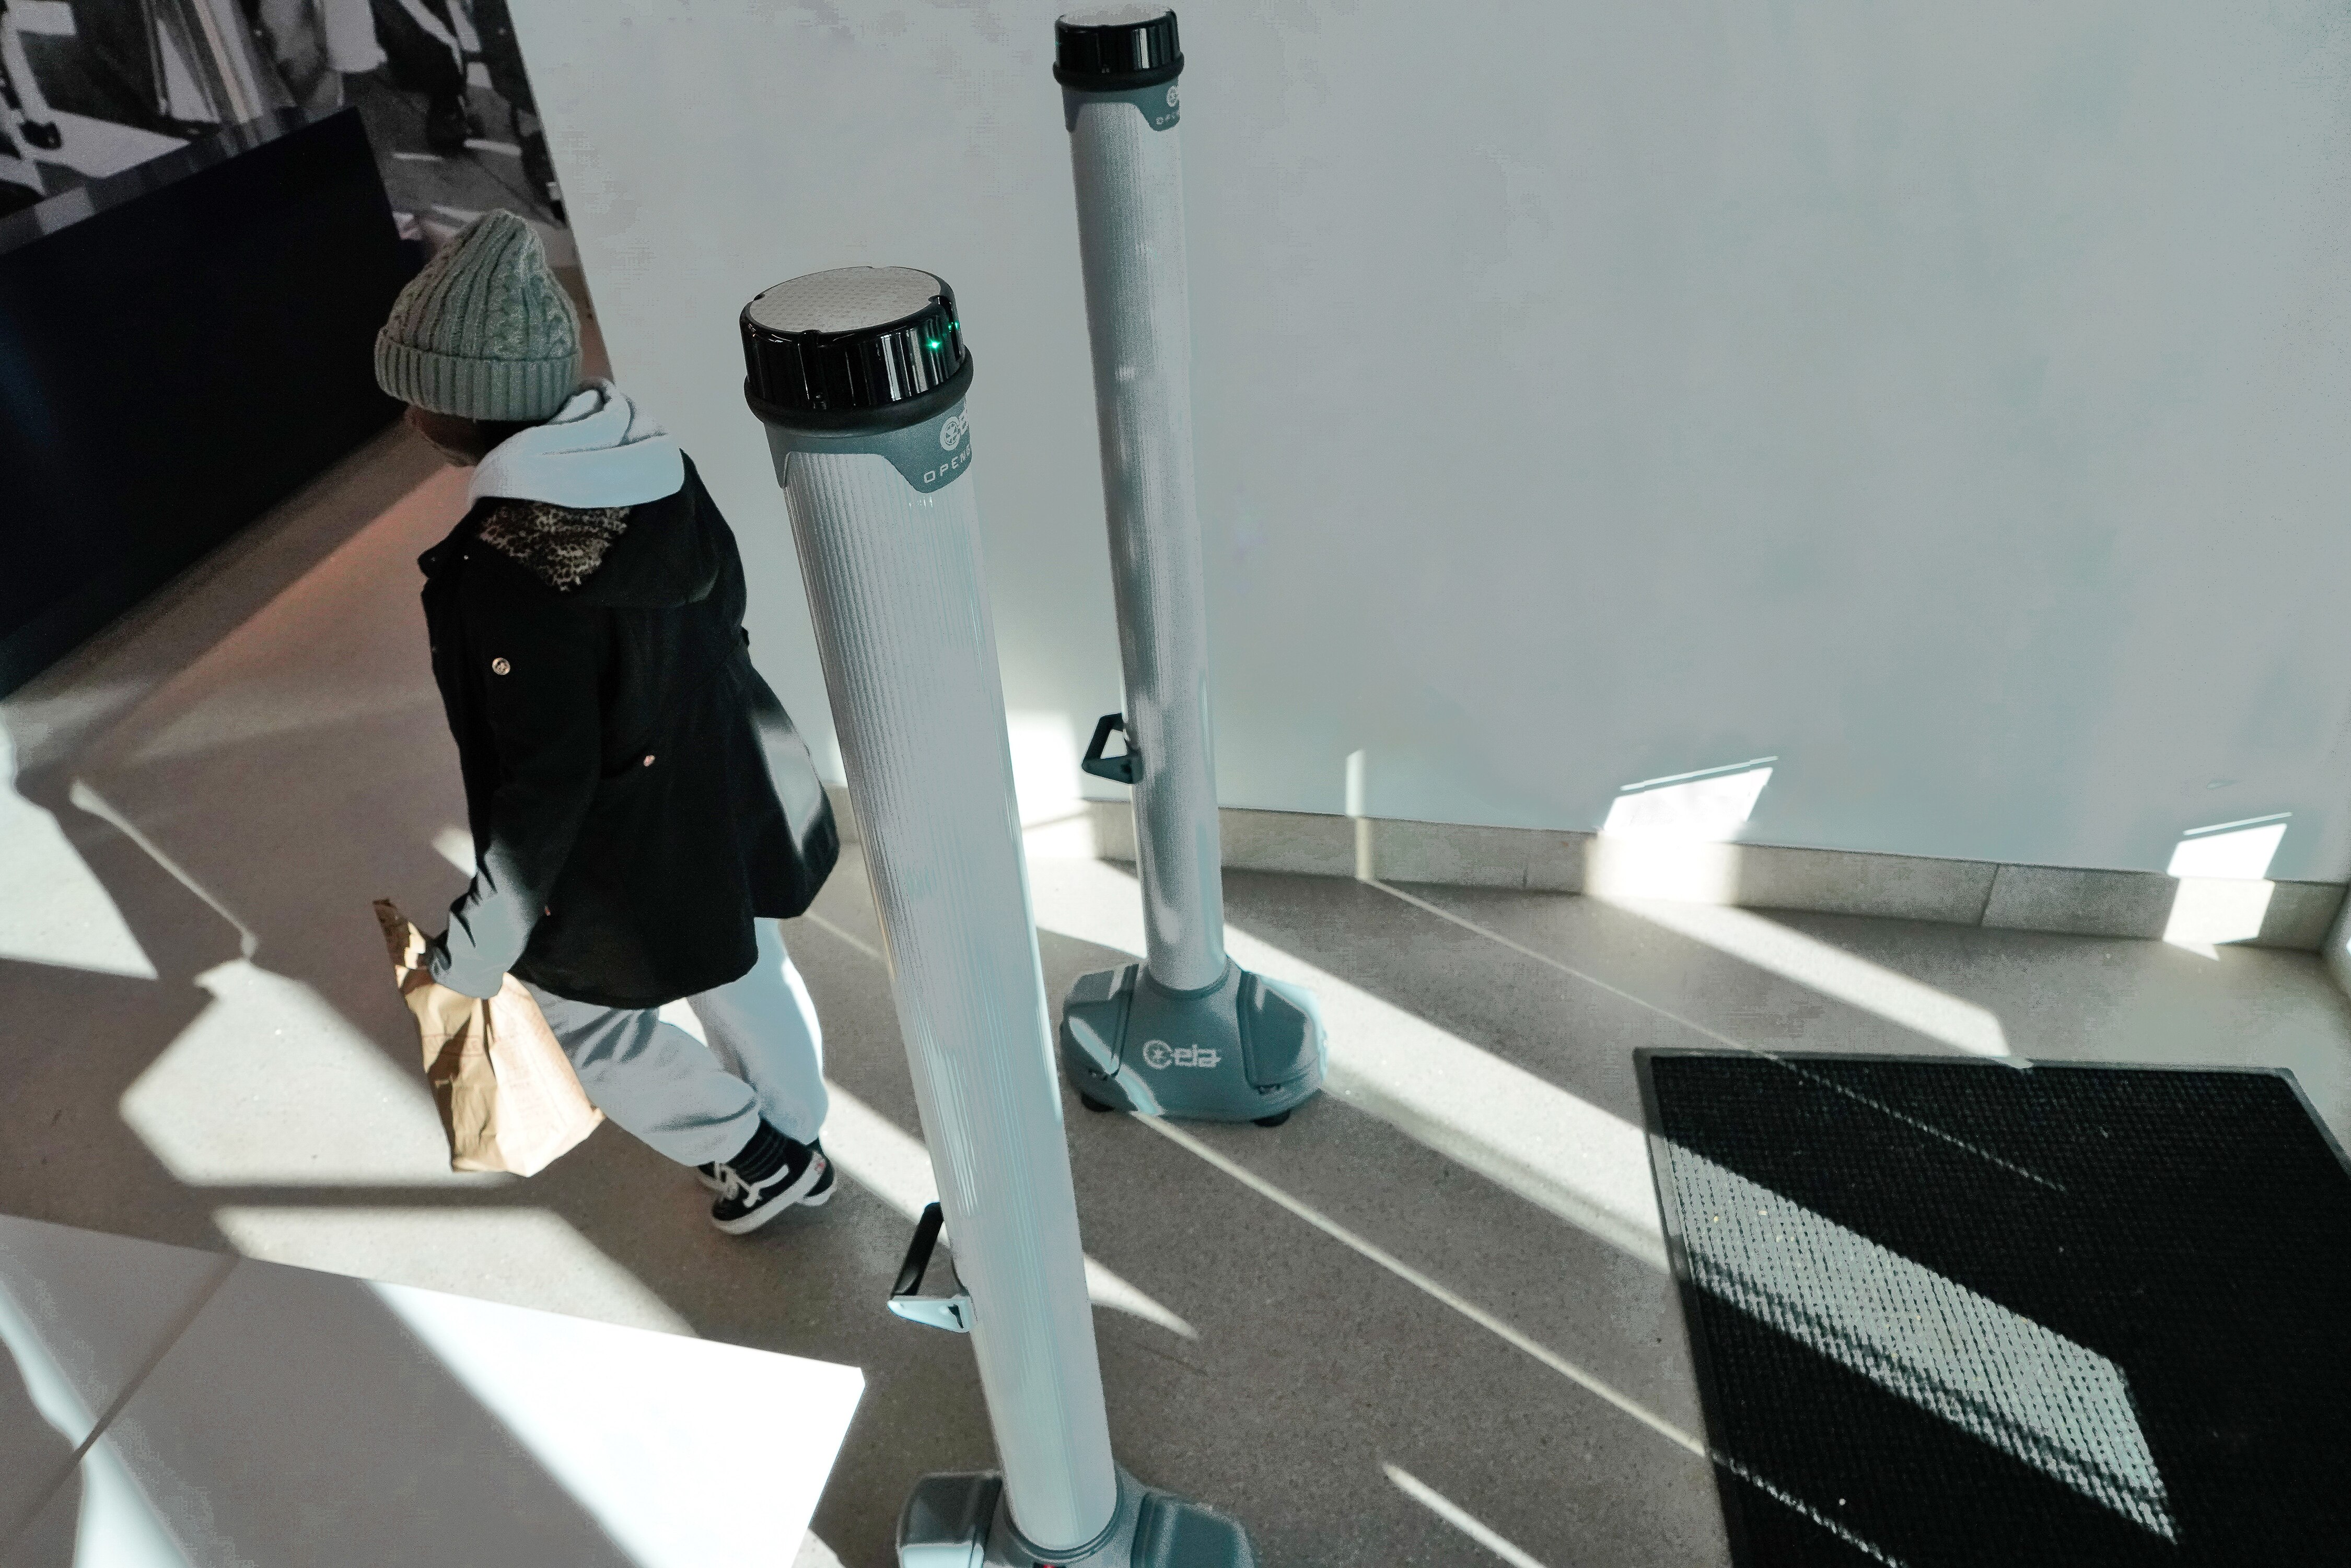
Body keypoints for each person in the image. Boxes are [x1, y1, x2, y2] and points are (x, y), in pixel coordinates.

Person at [376, 209, 841, 1234]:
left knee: (591, 1023)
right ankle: (799, 1125)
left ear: (470, 407)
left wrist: (483, 938)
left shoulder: (507, 572)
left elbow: (543, 783)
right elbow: (722, 613)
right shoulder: (654, 462)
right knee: (750, 959)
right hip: (730, 776)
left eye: (417, 390)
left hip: (634, 833)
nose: (407, 414)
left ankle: (756, 1153)